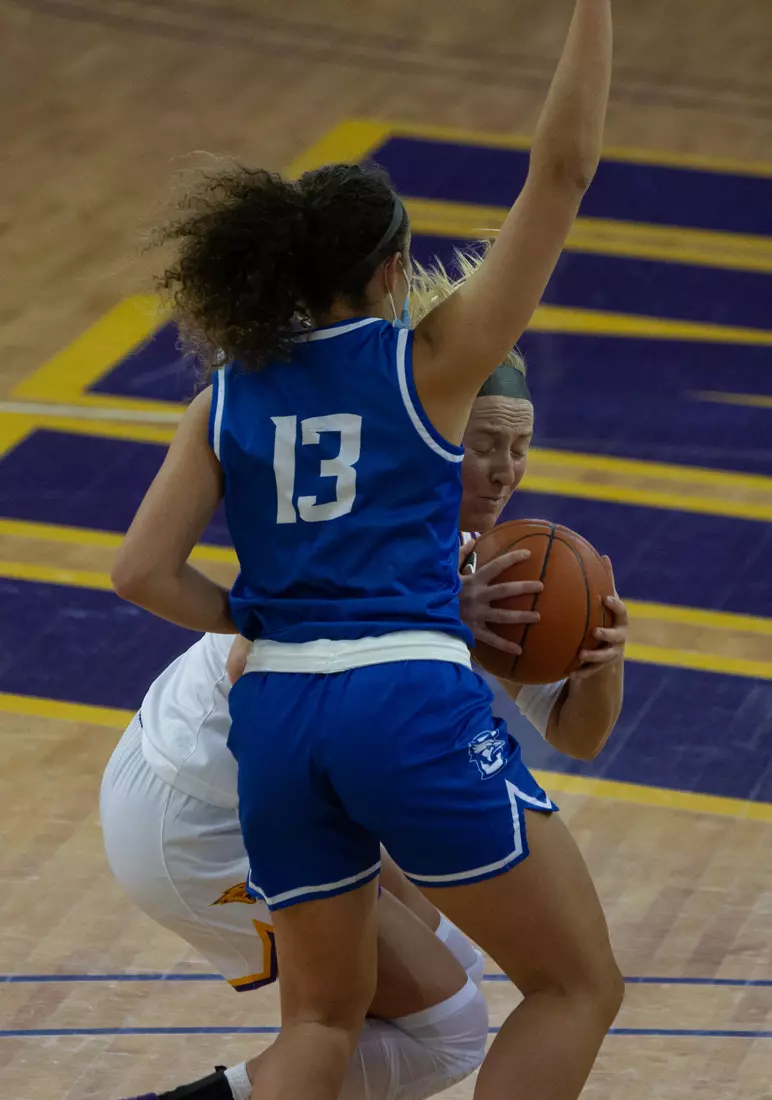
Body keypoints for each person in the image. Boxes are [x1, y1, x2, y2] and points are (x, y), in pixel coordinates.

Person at [112, 3, 617, 1098]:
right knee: (576, 986)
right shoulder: (431, 363)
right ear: (395, 273)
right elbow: (562, 172)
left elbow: (139, 571)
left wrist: (253, 616)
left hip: (278, 720)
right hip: (398, 696)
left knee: (322, 1024)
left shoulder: (227, 391)